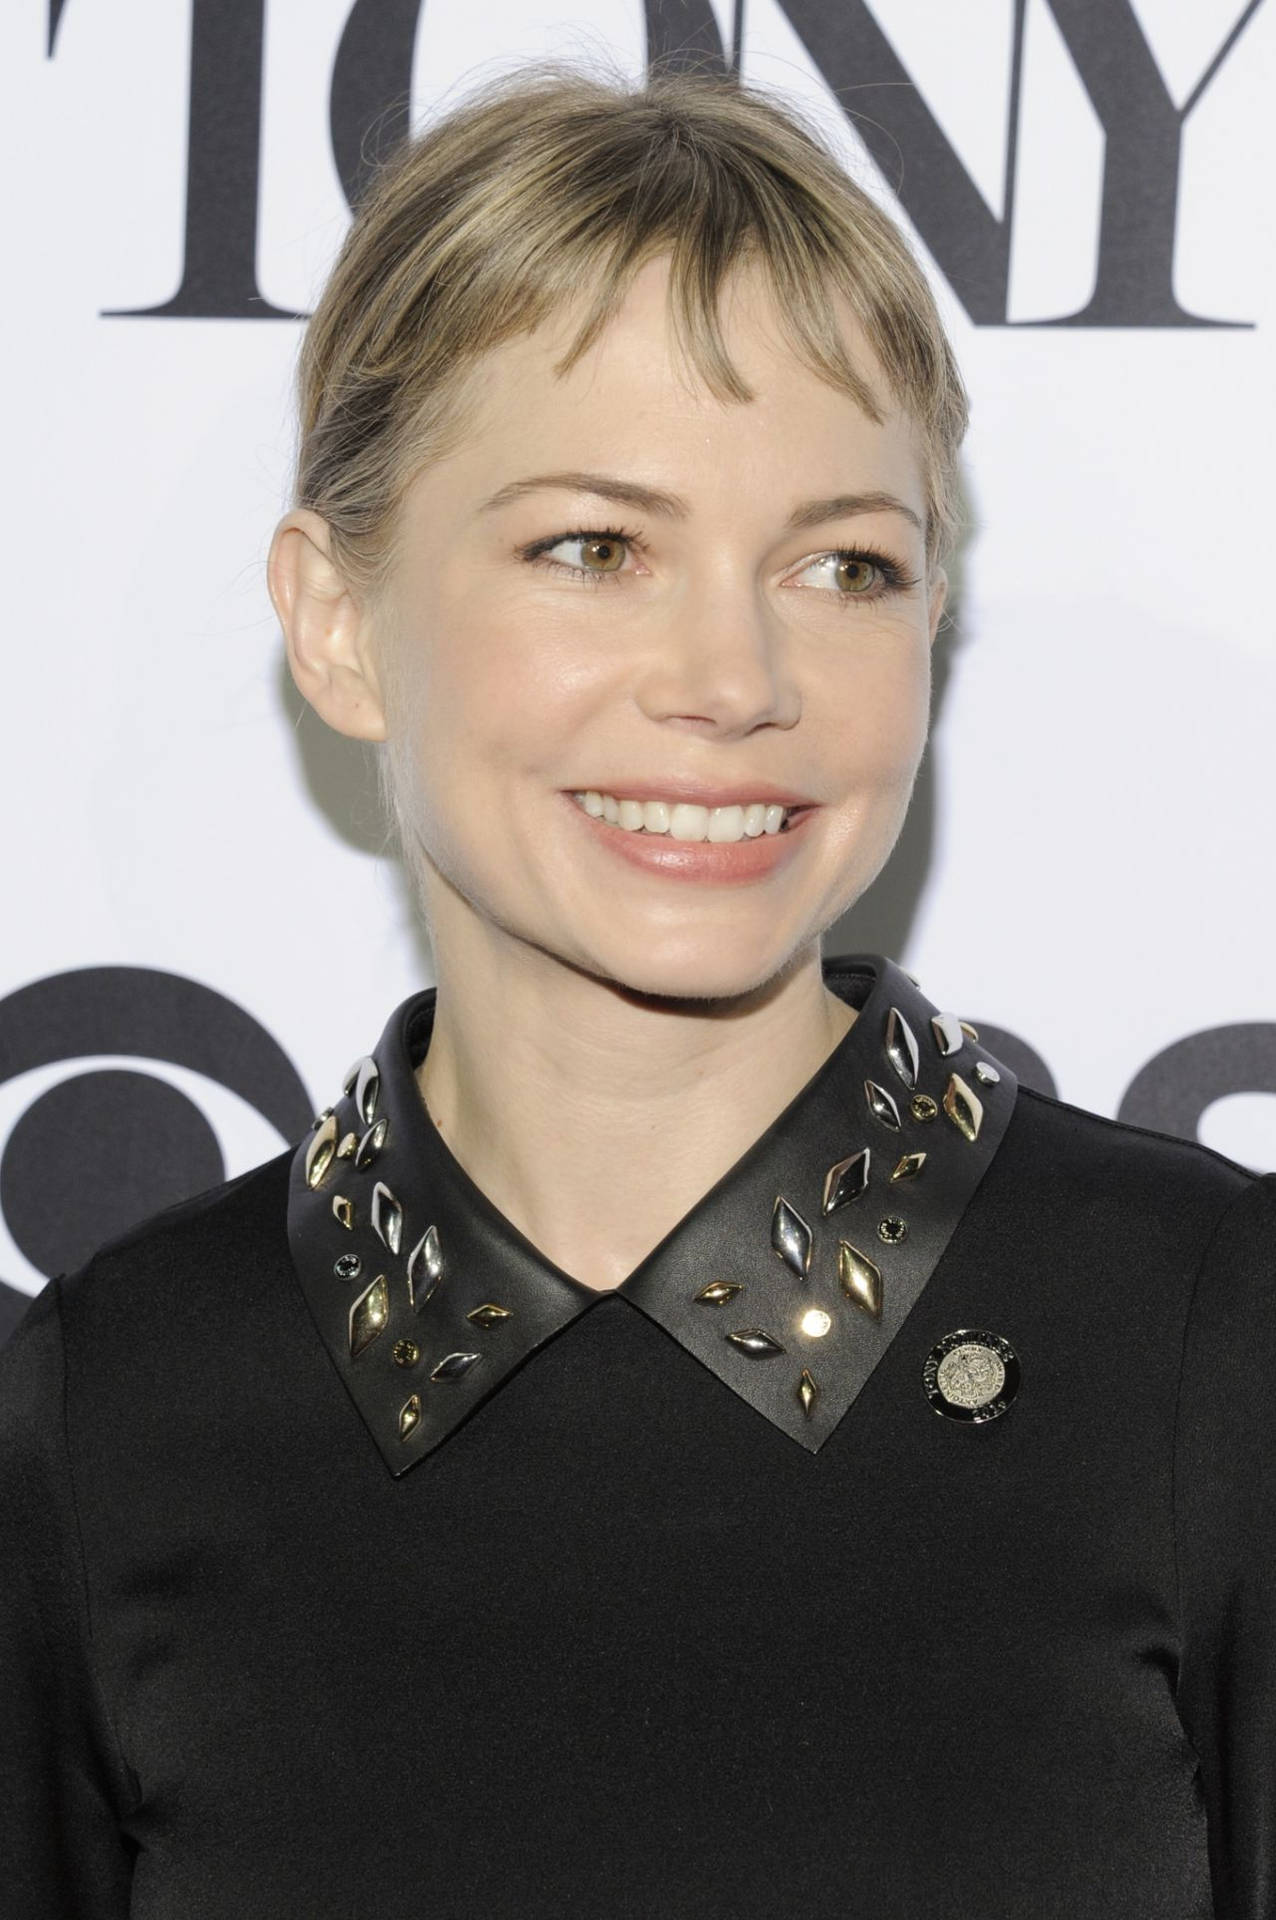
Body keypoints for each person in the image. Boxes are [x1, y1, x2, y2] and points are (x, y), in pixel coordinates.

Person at [2, 55, 1272, 1920]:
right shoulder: (111, 1406)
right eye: (594, 548)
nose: (736, 672)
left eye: (845, 563)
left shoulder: (1214, 1343)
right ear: (337, 622)